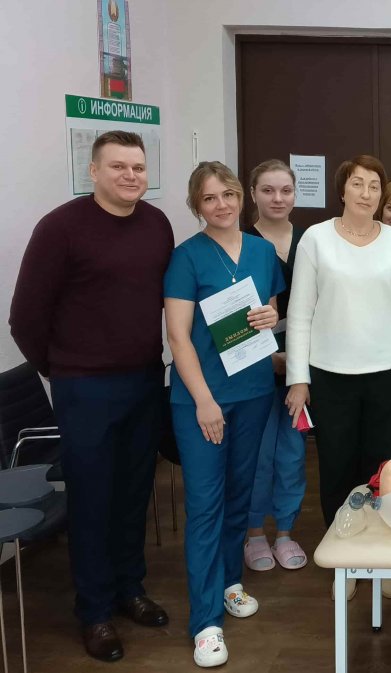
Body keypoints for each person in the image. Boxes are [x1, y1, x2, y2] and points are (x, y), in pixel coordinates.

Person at [8, 130, 173, 662]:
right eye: (118, 166)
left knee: (134, 493)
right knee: (92, 500)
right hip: (84, 389)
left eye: (138, 167)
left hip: (144, 380)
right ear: (94, 172)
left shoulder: (157, 224)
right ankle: (95, 611)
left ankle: (130, 589)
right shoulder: (60, 228)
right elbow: (25, 317)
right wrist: (62, 370)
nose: (130, 176)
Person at [164, 161, 284, 668]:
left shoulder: (262, 251)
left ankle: (231, 582)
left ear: (241, 197)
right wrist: (204, 401)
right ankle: (206, 622)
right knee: (206, 505)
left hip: (253, 391)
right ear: (197, 205)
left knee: (239, 494)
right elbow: (178, 336)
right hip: (203, 400)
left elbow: (269, 312)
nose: (221, 205)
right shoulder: (186, 257)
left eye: (228, 194)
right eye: (210, 198)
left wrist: (271, 316)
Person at [286, 155, 391, 534]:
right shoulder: (316, 239)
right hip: (330, 378)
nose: (366, 193)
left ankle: (381, 547)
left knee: (386, 469)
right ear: (343, 191)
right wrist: (298, 379)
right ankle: (342, 546)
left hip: (388, 378)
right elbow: (299, 314)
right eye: (358, 184)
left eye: (374, 186)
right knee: (336, 467)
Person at [242, 160, 308, 573]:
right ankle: (254, 535)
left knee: (292, 451)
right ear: (253, 194)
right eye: (268, 190)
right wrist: (270, 357)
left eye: (285, 190)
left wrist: (298, 362)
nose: (278, 198)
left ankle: (285, 531)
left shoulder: (311, 240)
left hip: (302, 364)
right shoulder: (242, 243)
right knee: (258, 452)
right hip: (253, 363)